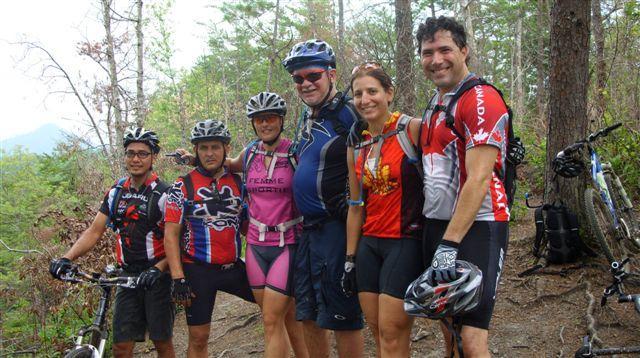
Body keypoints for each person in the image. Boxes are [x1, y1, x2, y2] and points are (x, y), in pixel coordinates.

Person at [416, 16, 510, 357]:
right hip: (437, 224)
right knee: (449, 328)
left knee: (471, 338)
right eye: (428, 52)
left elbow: (480, 178)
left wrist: (450, 244)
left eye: (445, 49)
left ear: (464, 50)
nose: (436, 59)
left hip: (480, 227)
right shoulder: (436, 102)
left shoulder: (480, 98)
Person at [49, 128, 176, 358]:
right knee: (121, 347)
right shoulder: (116, 192)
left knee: (162, 343)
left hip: (157, 277)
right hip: (126, 276)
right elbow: (94, 231)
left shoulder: (165, 194)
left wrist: (159, 268)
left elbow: (177, 242)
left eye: (143, 154)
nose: (135, 159)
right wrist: (66, 258)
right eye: (130, 153)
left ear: (153, 157)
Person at [282, 39, 365, 357]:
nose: (305, 83)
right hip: (308, 231)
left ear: (331, 74)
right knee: (307, 314)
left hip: (337, 228)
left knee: (344, 317)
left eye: (312, 76)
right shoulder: (307, 116)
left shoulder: (349, 111)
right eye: (298, 79)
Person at [343, 63, 424, 357]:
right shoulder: (357, 144)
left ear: (389, 93)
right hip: (368, 244)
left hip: (405, 240)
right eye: (358, 94)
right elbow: (355, 206)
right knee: (377, 330)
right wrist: (350, 259)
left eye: (372, 91)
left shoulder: (412, 129)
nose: (365, 100)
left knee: (392, 330)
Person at [225, 92, 308, 358]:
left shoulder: (295, 152)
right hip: (255, 245)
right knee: (284, 318)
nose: (265, 124)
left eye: (270, 118)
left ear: (281, 120)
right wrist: (194, 159)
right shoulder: (250, 153)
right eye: (259, 120)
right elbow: (228, 165)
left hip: (287, 243)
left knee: (271, 319)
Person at [163, 119, 255, 357]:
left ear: (226, 148)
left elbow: (247, 226)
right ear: (196, 150)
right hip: (198, 270)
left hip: (234, 267)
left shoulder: (239, 183)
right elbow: (171, 235)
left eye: (215, 146)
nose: (209, 153)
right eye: (203, 148)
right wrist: (178, 278)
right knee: (199, 337)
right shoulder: (182, 186)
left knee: (276, 308)